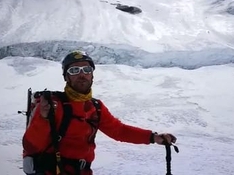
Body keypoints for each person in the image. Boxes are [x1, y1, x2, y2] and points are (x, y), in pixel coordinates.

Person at [22, 50, 177, 175]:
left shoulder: (95, 107)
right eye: (74, 70)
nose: (81, 74)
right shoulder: (52, 104)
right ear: (66, 76)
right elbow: (31, 146)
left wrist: (152, 137)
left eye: (86, 69)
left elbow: (119, 131)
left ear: (92, 75)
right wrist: (42, 118)